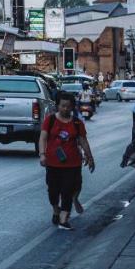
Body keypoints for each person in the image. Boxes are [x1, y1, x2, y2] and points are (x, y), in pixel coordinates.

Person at [39, 92, 94, 231]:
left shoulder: (77, 123)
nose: (65, 109)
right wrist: (42, 154)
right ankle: (56, 210)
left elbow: (83, 140)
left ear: (72, 107)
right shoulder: (50, 120)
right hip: (52, 163)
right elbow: (43, 138)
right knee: (53, 192)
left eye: (68, 106)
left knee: (67, 191)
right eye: (62, 106)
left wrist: (90, 156)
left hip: (73, 164)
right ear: (58, 106)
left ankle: (64, 219)